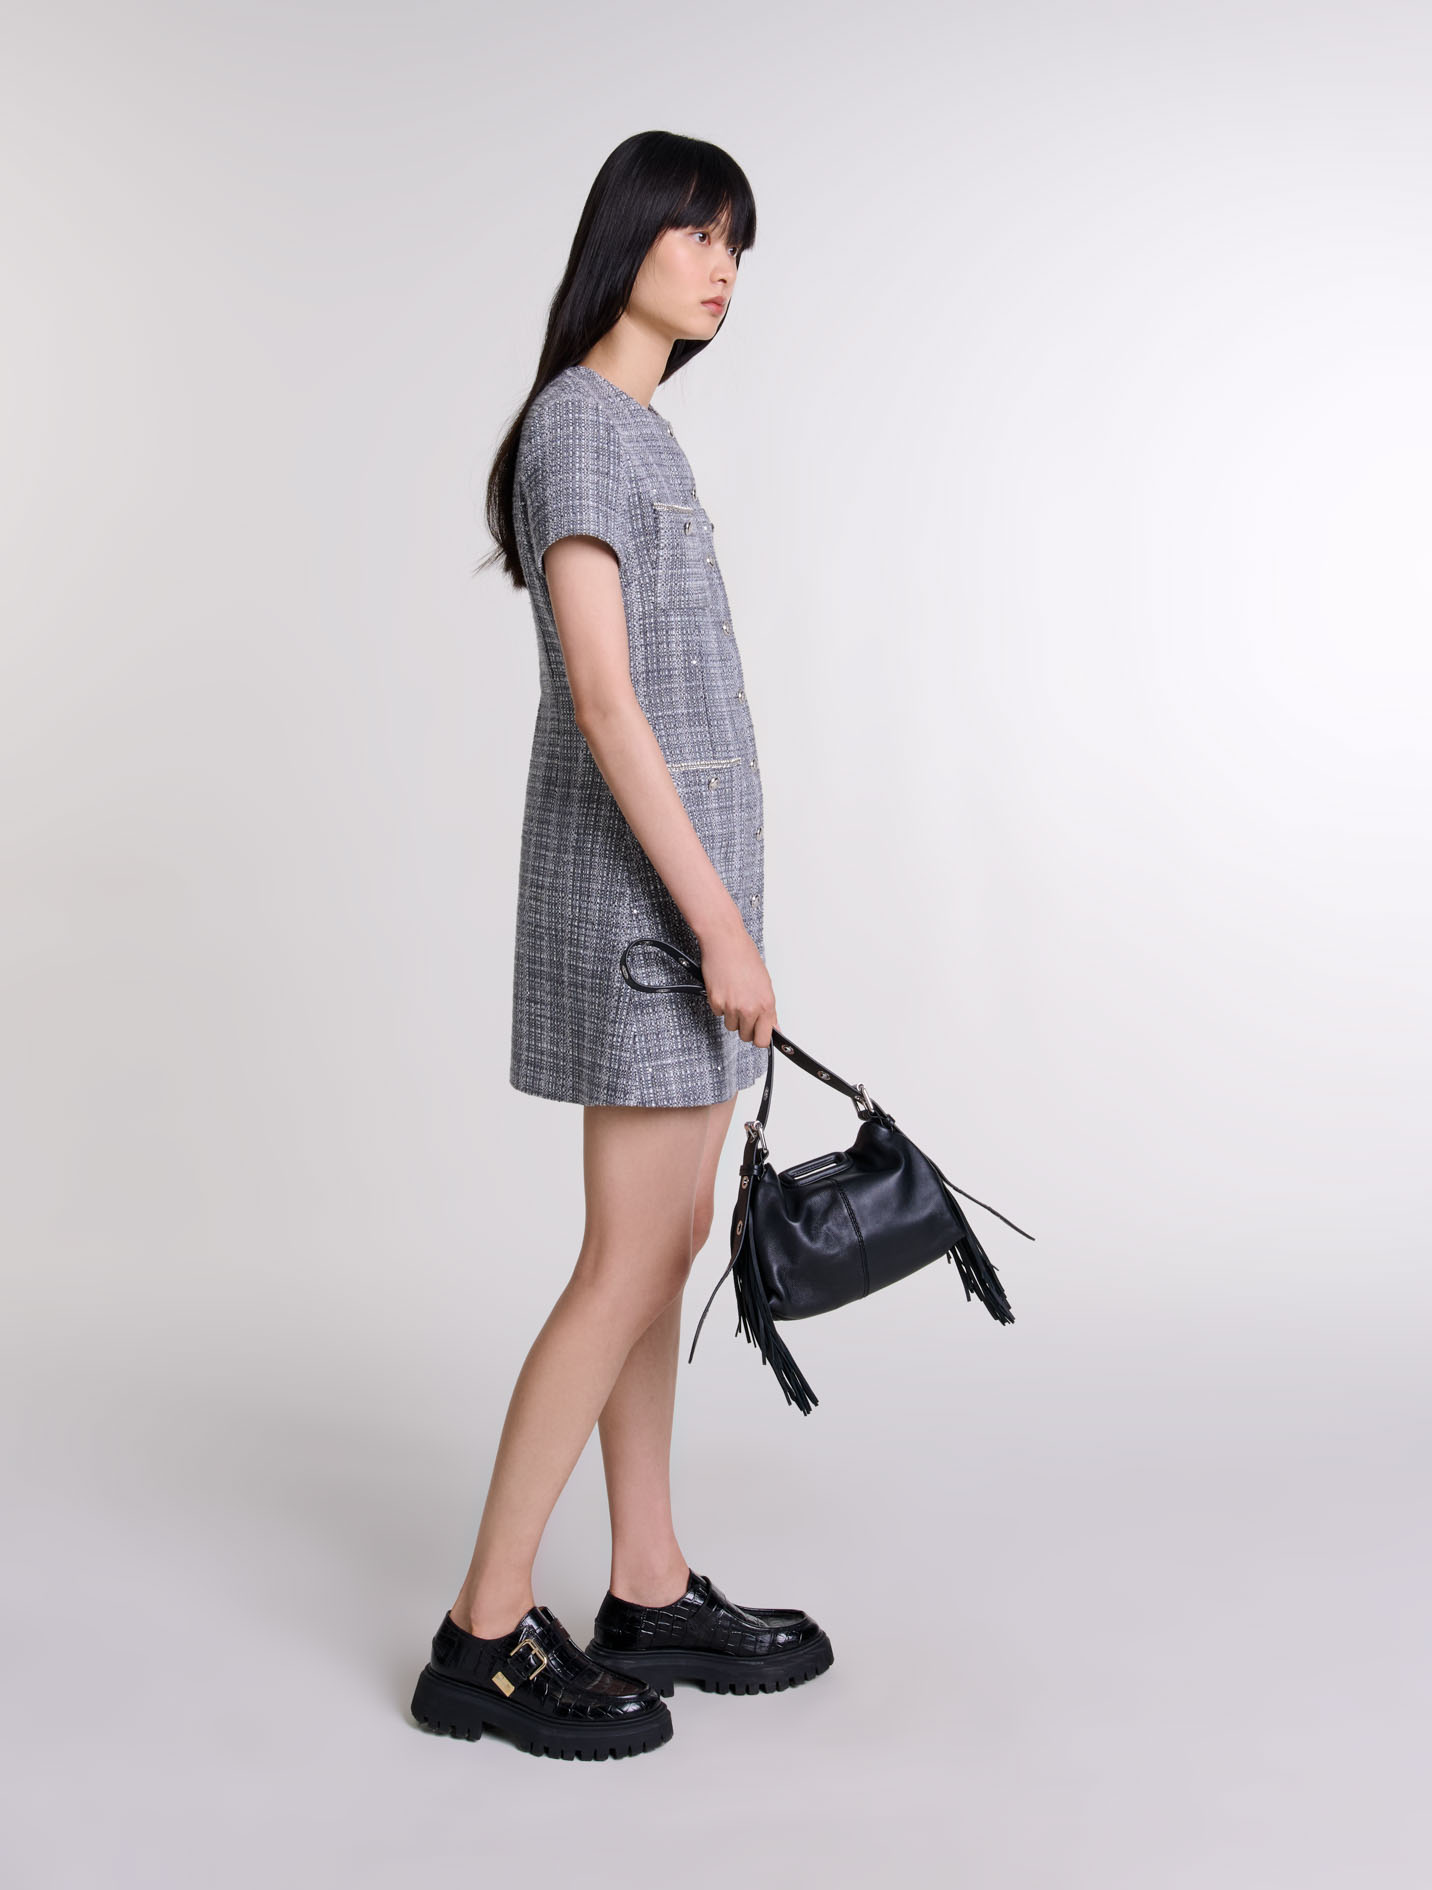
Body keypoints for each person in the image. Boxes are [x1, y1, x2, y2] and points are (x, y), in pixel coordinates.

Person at [409, 131, 833, 1762]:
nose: (723, 266)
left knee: (659, 1252)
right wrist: (719, 924)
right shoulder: (582, 426)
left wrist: (729, 913)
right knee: (624, 1264)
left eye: (738, 244)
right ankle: (482, 1631)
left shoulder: (640, 428)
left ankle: (645, 1583)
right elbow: (603, 701)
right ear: (628, 238)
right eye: (698, 232)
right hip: (650, 921)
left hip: (689, 914)